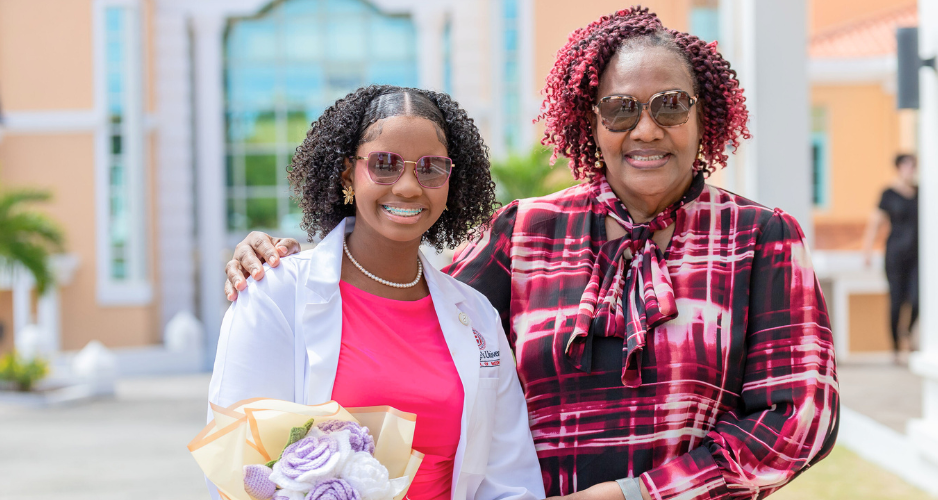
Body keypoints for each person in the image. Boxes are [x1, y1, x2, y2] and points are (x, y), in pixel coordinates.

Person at [223, 8, 839, 500]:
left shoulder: (761, 238)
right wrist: (296, 265)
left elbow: (799, 420)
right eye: (620, 108)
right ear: (588, 121)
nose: (646, 130)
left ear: (705, 116)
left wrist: (633, 495)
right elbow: (411, 310)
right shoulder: (528, 232)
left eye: (670, 105)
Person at [207, 85, 544, 500]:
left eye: (430, 167)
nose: (407, 186)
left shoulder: (477, 316)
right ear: (348, 172)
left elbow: (509, 481)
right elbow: (236, 467)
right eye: (384, 164)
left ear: (451, 180)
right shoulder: (274, 293)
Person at [862, 154, 919, 362]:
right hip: (895, 254)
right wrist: (867, 249)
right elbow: (875, 222)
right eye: (907, 165)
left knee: (917, 298)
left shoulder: (920, 193)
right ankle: (895, 347)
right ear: (899, 168)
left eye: (913, 165)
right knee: (896, 301)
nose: (911, 169)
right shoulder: (889, 194)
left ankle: (908, 330)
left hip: (917, 256)